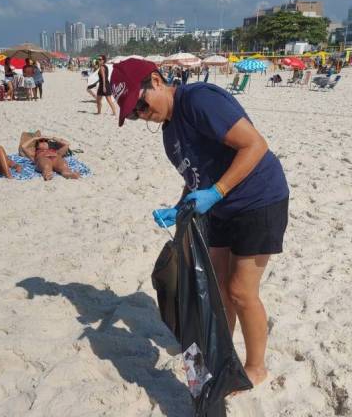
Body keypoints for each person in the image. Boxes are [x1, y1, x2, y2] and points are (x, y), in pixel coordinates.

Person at [111, 59, 289, 389]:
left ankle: (256, 368)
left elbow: (255, 145)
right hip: (221, 207)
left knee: (240, 291)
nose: (140, 114)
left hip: (259, 198)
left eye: (140, 103)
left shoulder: (199, 100)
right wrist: (180, 206)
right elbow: (196, 178)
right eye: (133, 113)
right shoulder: (169, 133)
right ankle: (222, 356)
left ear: (156, 80)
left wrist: (216, 192)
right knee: (218, 290)